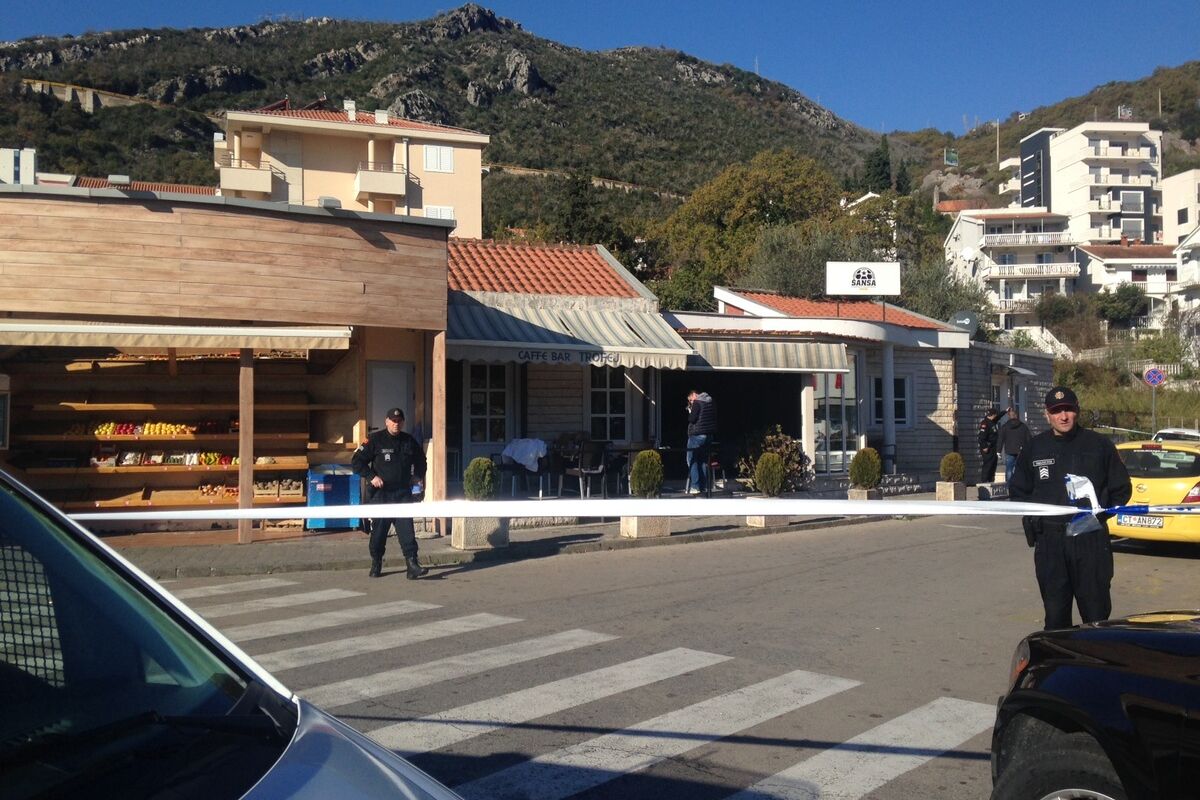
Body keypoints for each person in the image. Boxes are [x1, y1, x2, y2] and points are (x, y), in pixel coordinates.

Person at [1009, 386, 1132, 630]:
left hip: (1090, 541)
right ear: (1047, 415)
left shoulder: (1099, 445)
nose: (1063, 416)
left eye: (1068, 409)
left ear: (1078, 411)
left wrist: (1097, 516)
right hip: (1051, 544)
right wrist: (1035, 518)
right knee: (1056, 619)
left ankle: (1095, 655)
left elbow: (1121, 489)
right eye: (1056, 411)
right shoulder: (1035, 448)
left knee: (1096, 619)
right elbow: (1019, 491)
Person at [351, 407, 429, 579]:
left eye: (399, 421)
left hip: (402, 493)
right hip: (382, 494)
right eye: (393, 421)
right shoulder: (375, 439)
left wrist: (417, 476)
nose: (396, 424)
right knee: (379, 532)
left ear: (403, 422)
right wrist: (371, 477)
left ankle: (412, 564)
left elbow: (421, 460)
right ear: (386, 421)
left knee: (407, 531)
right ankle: (376, 562)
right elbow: (356, 462)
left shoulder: (408, 441)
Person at [686, 389, 717, 495]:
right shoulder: (710, 402)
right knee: (703, 460)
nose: (691, 402)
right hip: (709, 435)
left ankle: (695, 486)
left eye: (690, 400)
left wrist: (691, 411)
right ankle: (703, 486)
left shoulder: (697, 403)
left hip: (697, 435)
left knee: (692, 459)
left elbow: (692, 419)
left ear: (694, 395)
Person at [998, 406, 1032, 482]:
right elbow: (1029, 439)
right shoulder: (1023, 426)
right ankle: (1020, 484)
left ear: (1009, 416)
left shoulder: (1005, 426)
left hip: (1009, 450)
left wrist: (998, 451)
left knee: (1009, 469)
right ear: (1016, 415)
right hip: (1021, 450)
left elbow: (1000, 439)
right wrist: (1029, 450)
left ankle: (1009, 486)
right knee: (1020, 469)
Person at [977, 408, 1001, 483]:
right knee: (988, 466)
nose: (996, 416)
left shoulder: (992, 421)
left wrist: (1005, 411)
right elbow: (981, 437)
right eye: (995, 415)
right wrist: (984, 447)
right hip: (988, 448)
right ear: (992, 415)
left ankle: (991, 482)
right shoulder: (985, 423)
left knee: (993, 465)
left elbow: (999, 416)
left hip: (993, 447)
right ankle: (984, 483)